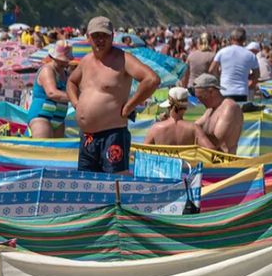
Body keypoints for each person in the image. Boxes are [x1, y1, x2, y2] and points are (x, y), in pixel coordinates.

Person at [66, 16, 159, 174]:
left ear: (112, 36)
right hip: (88, 137)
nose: (100, 40)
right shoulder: (86, 61)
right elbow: (71, 82)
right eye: (96, 36)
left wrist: (130, 105)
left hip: (113, 134)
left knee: (116, 183)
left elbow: (151, 79)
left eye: (104, 36)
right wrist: (76, 103)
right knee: (86, 182)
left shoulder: (123, 59)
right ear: (88, 37)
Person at [27, 41, 73, 138]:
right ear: (53, 57)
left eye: (66, 60)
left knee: (57, 152)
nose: (64, 62)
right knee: (44, 150)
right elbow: (52, 93)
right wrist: (77, 98)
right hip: (41, 116)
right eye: (61, 59)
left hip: (58, 119)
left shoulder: (65, 73)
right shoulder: (48, 70)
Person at [143, 86, 214, 148]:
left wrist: (161, 122)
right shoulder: (194, 129)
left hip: (163, 163)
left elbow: (142, 153)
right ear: (186, 108)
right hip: (185, 163)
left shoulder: (155, 128)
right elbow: (211, 150)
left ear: (168, 106)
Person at [193, 73, 243, 155]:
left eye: (201, 97)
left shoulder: (229, 107)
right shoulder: (210, 109)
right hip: (211, 161)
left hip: (226, 164)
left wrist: (193, 131)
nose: (199, 101)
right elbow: (194, 126)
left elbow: (215, 142)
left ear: (211, 92)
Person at [210, 27, 259, 103]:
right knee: (238, 113)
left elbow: (211, 69)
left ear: (231, 38)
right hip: (241, 91)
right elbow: (257, 75)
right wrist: (249, 80)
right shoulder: (250, 55)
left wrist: (219, 78)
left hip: (225, 90)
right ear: (244, 40)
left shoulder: (222, 52)